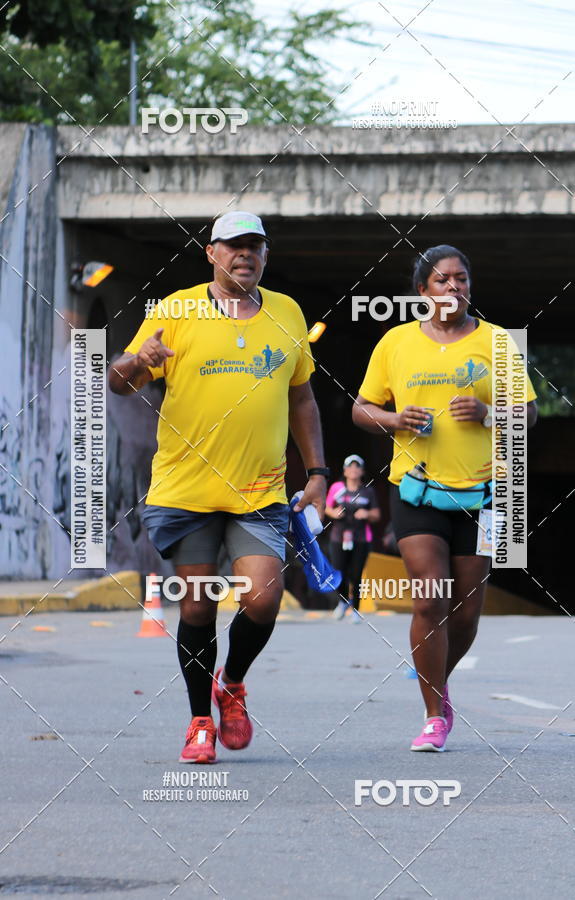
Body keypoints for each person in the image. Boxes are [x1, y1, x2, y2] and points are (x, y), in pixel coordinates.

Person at [108, 211, 329, 764]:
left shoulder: (288, 313)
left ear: (265, 255)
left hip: (259, 489)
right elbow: (117, 380)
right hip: (186, 490)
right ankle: (199, 720)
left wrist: (319, 472)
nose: (245, 255)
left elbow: (301, 398)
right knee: (200, 606)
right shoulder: (176, 309)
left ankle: (231, 682)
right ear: (212, 253)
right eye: (234, 246)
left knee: (263, 596)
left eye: (255, 246)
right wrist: (139, 359)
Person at [353, 244, 537, 752]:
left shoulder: (497, 343)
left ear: (470, 286)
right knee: (430, 595)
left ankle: (438, 680)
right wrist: (393, 420)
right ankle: (434, 714)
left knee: (466, 612)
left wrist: (487, 413)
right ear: (422, 291)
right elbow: (361, 409)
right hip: (417, 489)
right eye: (440, 281)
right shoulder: (395, 343)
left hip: (485, 495)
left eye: (460, 279)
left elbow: (529, 416)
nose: (452, 288)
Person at [325, 455, 380, 623]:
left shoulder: (367, 491)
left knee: (356, 574)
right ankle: (342, 602)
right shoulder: (337, 488)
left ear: (362, 471)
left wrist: (367, 514)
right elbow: (326, 507)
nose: (354, 470)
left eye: (357, 467)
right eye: (350, 467)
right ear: (345, 470)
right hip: (338, 536)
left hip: (361, 538)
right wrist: (334, 513)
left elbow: (377, 515)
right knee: (338, 571)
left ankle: (356, 609)